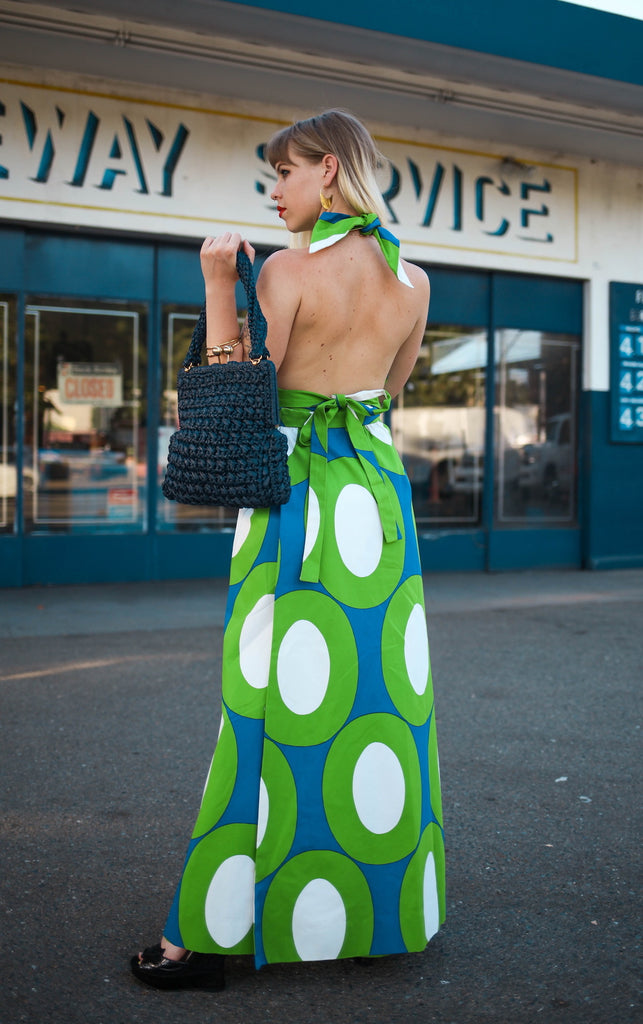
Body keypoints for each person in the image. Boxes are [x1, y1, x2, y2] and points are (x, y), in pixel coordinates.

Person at [131, 109, 445, 991]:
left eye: (284, 172)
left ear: (332, 174)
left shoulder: (286, 271)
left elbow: (233, 381)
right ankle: (374, 916)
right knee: (377, 708)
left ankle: (197, 940)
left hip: (296, 497)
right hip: (376, 506)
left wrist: (214, 281)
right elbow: (387, 394)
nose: (273, 190)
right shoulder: (413, 281)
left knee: (262, 704)